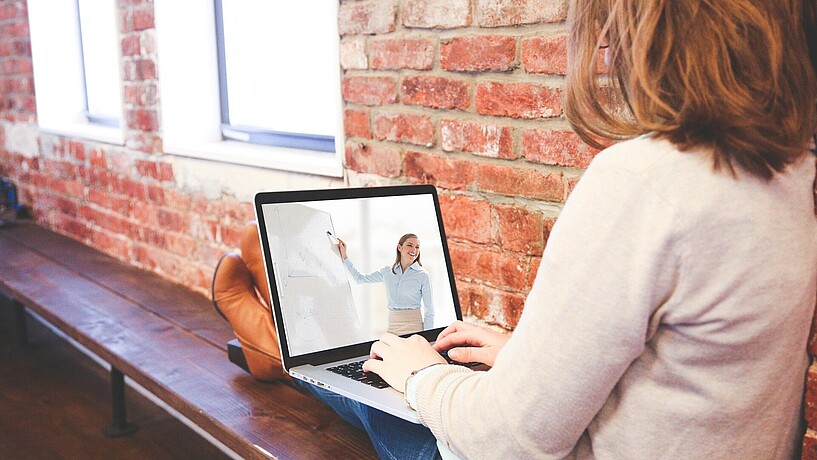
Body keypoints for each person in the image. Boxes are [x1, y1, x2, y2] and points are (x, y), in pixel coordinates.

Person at [213, 0, 817, 457]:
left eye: (611, 22)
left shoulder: (646, 182)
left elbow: (512, 442)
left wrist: (423, 375)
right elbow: (697, 371)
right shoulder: (798, 169)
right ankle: (284, 344)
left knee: (373, 387)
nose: (605, 44)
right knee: (386, 356)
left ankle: (271, 345)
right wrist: (528, 362)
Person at [337, 233, 435, 335]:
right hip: (393, 326)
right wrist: (345, 257)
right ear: (399, 247)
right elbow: (360, 279)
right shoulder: (387, 272)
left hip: (415, 327)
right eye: (410, 245)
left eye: (417, 247)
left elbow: (430, 310)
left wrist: (427, 336)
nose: (414, 250)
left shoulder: (423, 275)